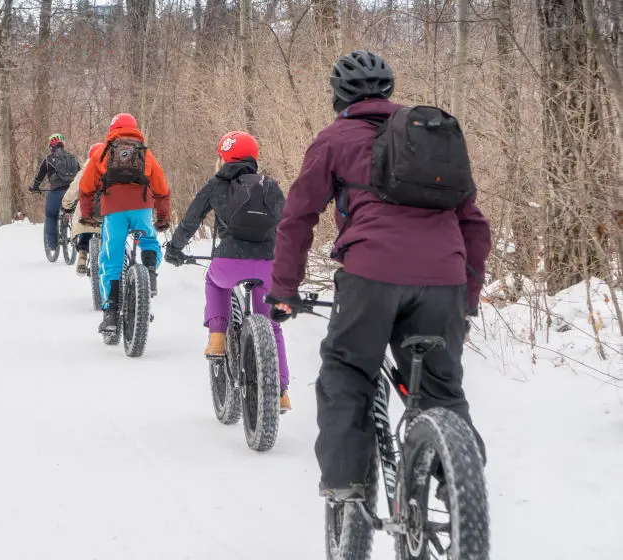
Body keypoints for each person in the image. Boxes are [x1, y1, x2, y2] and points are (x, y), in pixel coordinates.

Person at [266, 50, 491, 502]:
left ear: (337, 95)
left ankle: (348, 484)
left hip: (371, 275)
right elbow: (474, 224)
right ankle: (461, 493)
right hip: (444, 280)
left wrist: (284, 290)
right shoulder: (432, 138)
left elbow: (297, 217)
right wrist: (467, 294)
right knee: (441, 387)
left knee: (348, 370)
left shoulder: (333, 139)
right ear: (388, 90)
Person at [164, 131, 293, 411]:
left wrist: (174, 249)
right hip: (269, 264)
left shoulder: (216, 184)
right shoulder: (270, 186)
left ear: (223, 156)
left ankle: (218, 337)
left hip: (229, 262)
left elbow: (190, 221)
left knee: (214, 281)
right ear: (253, 157)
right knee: (272, 325)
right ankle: (281, 392)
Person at [79, 113, 170, 333]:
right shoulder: (145, 154)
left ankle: (110, 312)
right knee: (149, 241)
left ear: (112, 129)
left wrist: (87, 214)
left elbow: (85, 187)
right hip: (142, 209)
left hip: (114, 212)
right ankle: (149, 276)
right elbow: (162, 188)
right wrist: (163, 218)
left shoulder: (102, 152)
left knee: (111, 257)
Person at [29, 134, 80, 253]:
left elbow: (39, 177)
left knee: (51, 215)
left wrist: (35, 188)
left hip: (56, 193)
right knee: (75, 213)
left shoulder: (48, 159)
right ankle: (76, 237)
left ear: (51, 146)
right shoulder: (73, 158)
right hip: (72, 193)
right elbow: (80, 175)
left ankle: (52, 245)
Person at [62, 142, 105, 275]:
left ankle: (82, 256)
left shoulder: (84, 171)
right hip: (106, 213)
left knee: (85, 232)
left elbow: (73, 190)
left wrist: (66, 204)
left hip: (86, 214)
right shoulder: (111, 171)